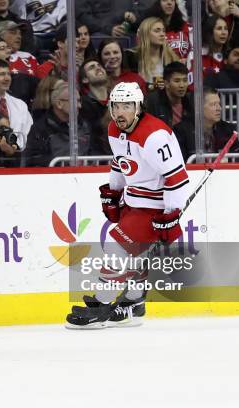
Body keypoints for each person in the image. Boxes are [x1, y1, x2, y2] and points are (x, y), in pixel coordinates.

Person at [65, 81, 189, 329]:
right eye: (116, 106)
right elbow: (120, 162)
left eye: (126, 106)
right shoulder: (113, 129)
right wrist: (114, 191)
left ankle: (102, 306)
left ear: (139, 107)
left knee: (117, 246)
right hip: (133, 200)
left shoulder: (154, 136)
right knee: (135, 255)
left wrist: (171, 214)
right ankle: (133, 304)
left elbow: (177, 177)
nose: (120, 112)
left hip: (155, 205)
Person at [25, 80, 91, 167]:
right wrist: (64, 164)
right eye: (75, 101)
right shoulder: (40, 128)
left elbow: (94, 151)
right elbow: (34, 159)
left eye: (79, 101)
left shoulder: (84, 125)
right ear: (59, 104)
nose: (79, 106)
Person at [174, 87, 239, 161]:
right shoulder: (180, 132)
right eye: (213, 104)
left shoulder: (227, 130)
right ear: (198, 107)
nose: (219, 108)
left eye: (219, 104)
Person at [123, 17, 180, 90]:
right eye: (157, 31)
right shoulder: (130, 56)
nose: (162, 34)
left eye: (163, 31)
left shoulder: (172, 58)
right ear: (145, 33)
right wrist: (153, 86)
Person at [145, 61, 193, 128]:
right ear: (166, 83)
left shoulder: (190, 101)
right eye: (177, 81)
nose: (182, 85)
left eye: (185, 80)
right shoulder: (153, 101)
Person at [79, 59, 111, 155]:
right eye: (92, 68)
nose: (98, 68)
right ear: (85, 79)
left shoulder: (118, 99)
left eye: (99, 65)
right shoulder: (83, 104)